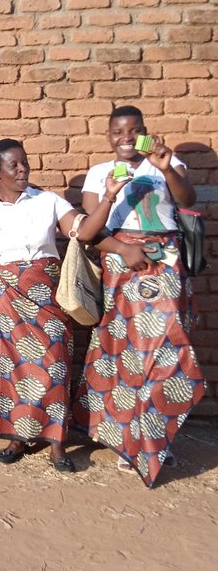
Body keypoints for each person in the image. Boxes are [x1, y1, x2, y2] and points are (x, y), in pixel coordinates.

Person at [0, 139, 123, 473]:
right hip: (5, 304)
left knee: (54, 366)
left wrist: (108, 197)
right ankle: (16, 439)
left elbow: (84, 233)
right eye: (14, 165)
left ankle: (57, 443)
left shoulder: (48, 202)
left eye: (25, 162)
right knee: (12, 370)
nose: (23, 169)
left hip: (47, 299)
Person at [73, 106, 205, 485]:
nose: (125, 138)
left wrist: (164, 167)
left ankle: (158, 438)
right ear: (108, 135)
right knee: (127, 349)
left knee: (167, 346)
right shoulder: (100, 173)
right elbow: (91, 228)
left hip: (166, 262)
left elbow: (188, 200)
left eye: (133, 131)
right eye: (117, 132)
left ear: (145, 132)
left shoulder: (166, 163)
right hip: (121, 262)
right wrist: (123, 246)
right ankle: (129, 438)